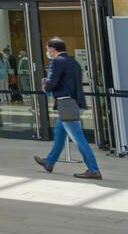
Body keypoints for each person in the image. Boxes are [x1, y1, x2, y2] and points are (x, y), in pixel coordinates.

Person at [33, 38, 102, 180]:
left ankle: (93, 169)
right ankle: (49, 162)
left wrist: (45, 86)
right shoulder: (73, 62)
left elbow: (52, 83)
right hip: (75, 103)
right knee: (59, 133)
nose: (47, 52)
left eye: (48, 49)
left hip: (65, 104)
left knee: (78, 139)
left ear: (53, 49)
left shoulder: (56, 62)